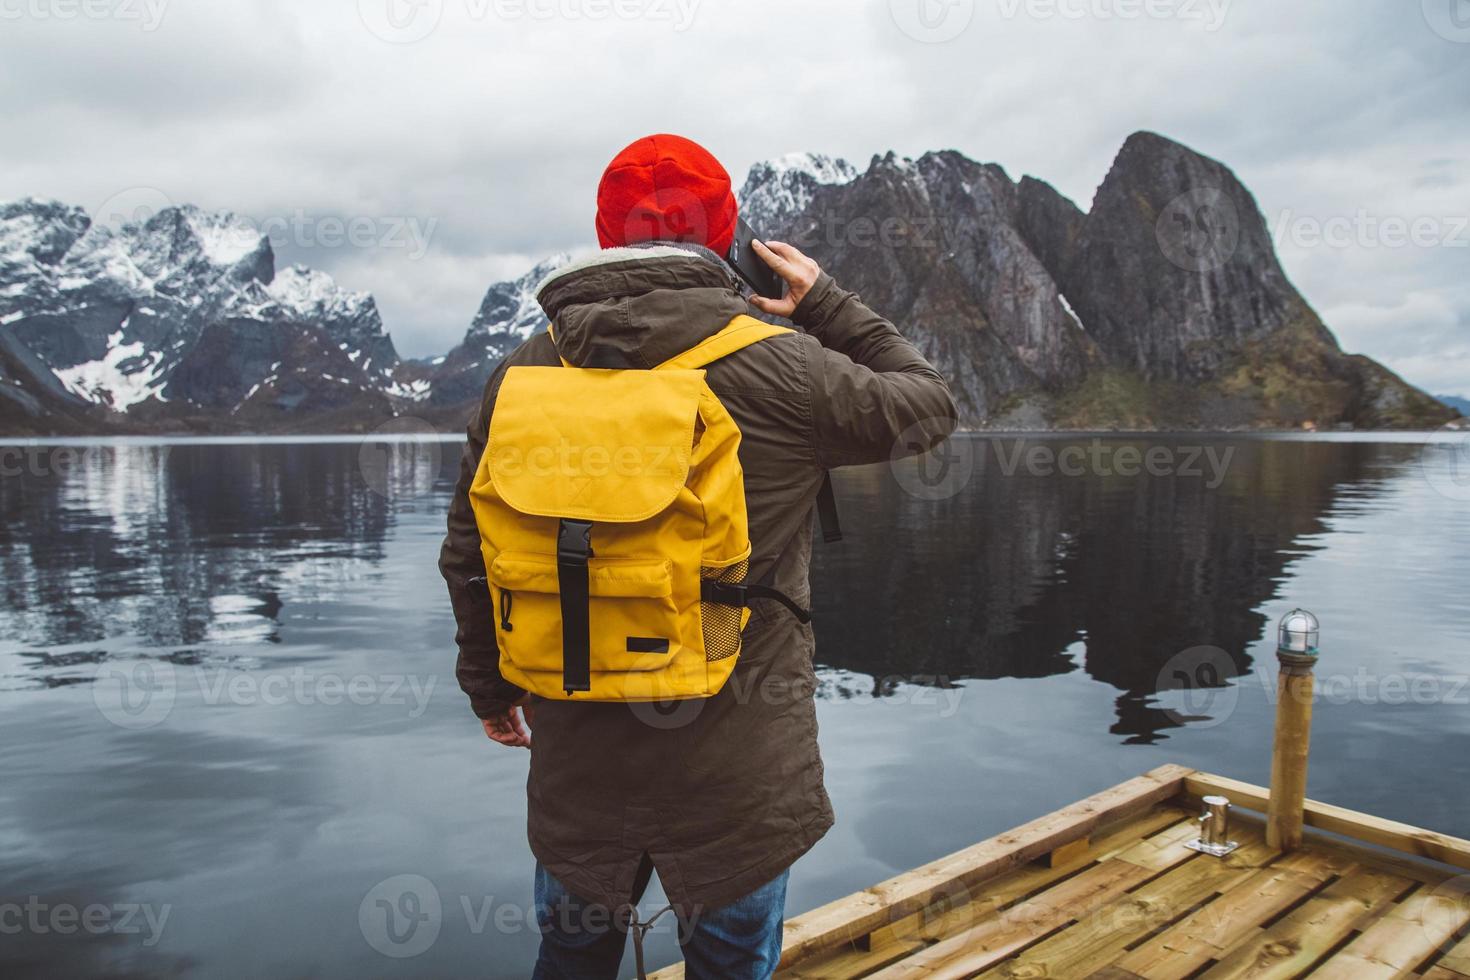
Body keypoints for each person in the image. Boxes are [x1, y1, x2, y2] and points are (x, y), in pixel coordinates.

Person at [440, 133, 957, 979]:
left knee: (570, 957)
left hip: (580, 758)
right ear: (727, 235)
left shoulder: (521, 376)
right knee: (730, 963)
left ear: (607, 235)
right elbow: (929, 405)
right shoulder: (787, 364)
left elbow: (470, 554)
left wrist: (489, 687)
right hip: (738, 768)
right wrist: (824, 302)